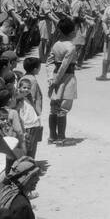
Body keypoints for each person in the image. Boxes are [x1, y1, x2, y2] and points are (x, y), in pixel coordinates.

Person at [47, 17, 78, 145]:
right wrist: (57, 80)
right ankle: (61, 138)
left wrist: (51, 78)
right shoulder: (71, 47)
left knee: (54, 107)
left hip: (55, 77)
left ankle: (52, 137)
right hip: (66, 78)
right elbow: (64, 66)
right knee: (63, 108)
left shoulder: (56, 44)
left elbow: (49, 62)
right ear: (71, 32)